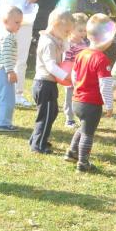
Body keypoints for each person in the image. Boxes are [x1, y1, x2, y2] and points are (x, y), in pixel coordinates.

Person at [64, 14, 115, 172]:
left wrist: (78, 87)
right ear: (105, 39)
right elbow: (105, 85)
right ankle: (83, 162)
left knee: (83, 127)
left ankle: (72, 152)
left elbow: (74, 76)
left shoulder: (81, 55)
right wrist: (109, 104)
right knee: (88, 133)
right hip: (91, 104)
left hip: (77, 101)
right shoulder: (101, 59)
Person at [29, 9, 74, 154]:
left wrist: (63, 41)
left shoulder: (54, 40)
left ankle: (37, 138)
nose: (68, 35)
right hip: (44, 84)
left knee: (51, 112)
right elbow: (51, 66)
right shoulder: (48, 43)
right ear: (55, 25)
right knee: (46, 115)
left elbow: (66, 48)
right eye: (66, 31)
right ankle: (38, 145)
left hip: (48, 84)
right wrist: (67, 76)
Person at [0, 6, 23, 131]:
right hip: (4, 70)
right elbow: (6, 54)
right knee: (8, 98)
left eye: (20, 22)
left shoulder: (0, 35)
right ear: (5, 21)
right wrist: (10, 70)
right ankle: (4, 123)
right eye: (16, 22)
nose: (19, 25)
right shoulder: (9, 37)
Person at [62, 12, 89, 128]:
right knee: (70, 97)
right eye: (80, 30)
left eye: (85, 30)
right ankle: (69, 119)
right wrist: (69, 75)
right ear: (71, 29)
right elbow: (66, 62)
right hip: (71, 76)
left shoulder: (85, 43)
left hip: (83, 76)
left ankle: (82, 115)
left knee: (82, 96)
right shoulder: (69, 45)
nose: (83, 33)